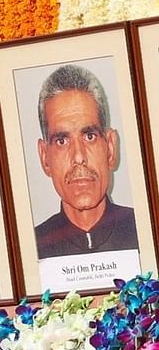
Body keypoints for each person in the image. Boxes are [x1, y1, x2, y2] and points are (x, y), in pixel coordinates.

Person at [34, 63, 138, 259]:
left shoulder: (148, 233)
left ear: (110, 149)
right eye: (62, 140)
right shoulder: (31, 251)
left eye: (89, 136)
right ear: (44, 157)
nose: (79, 157)